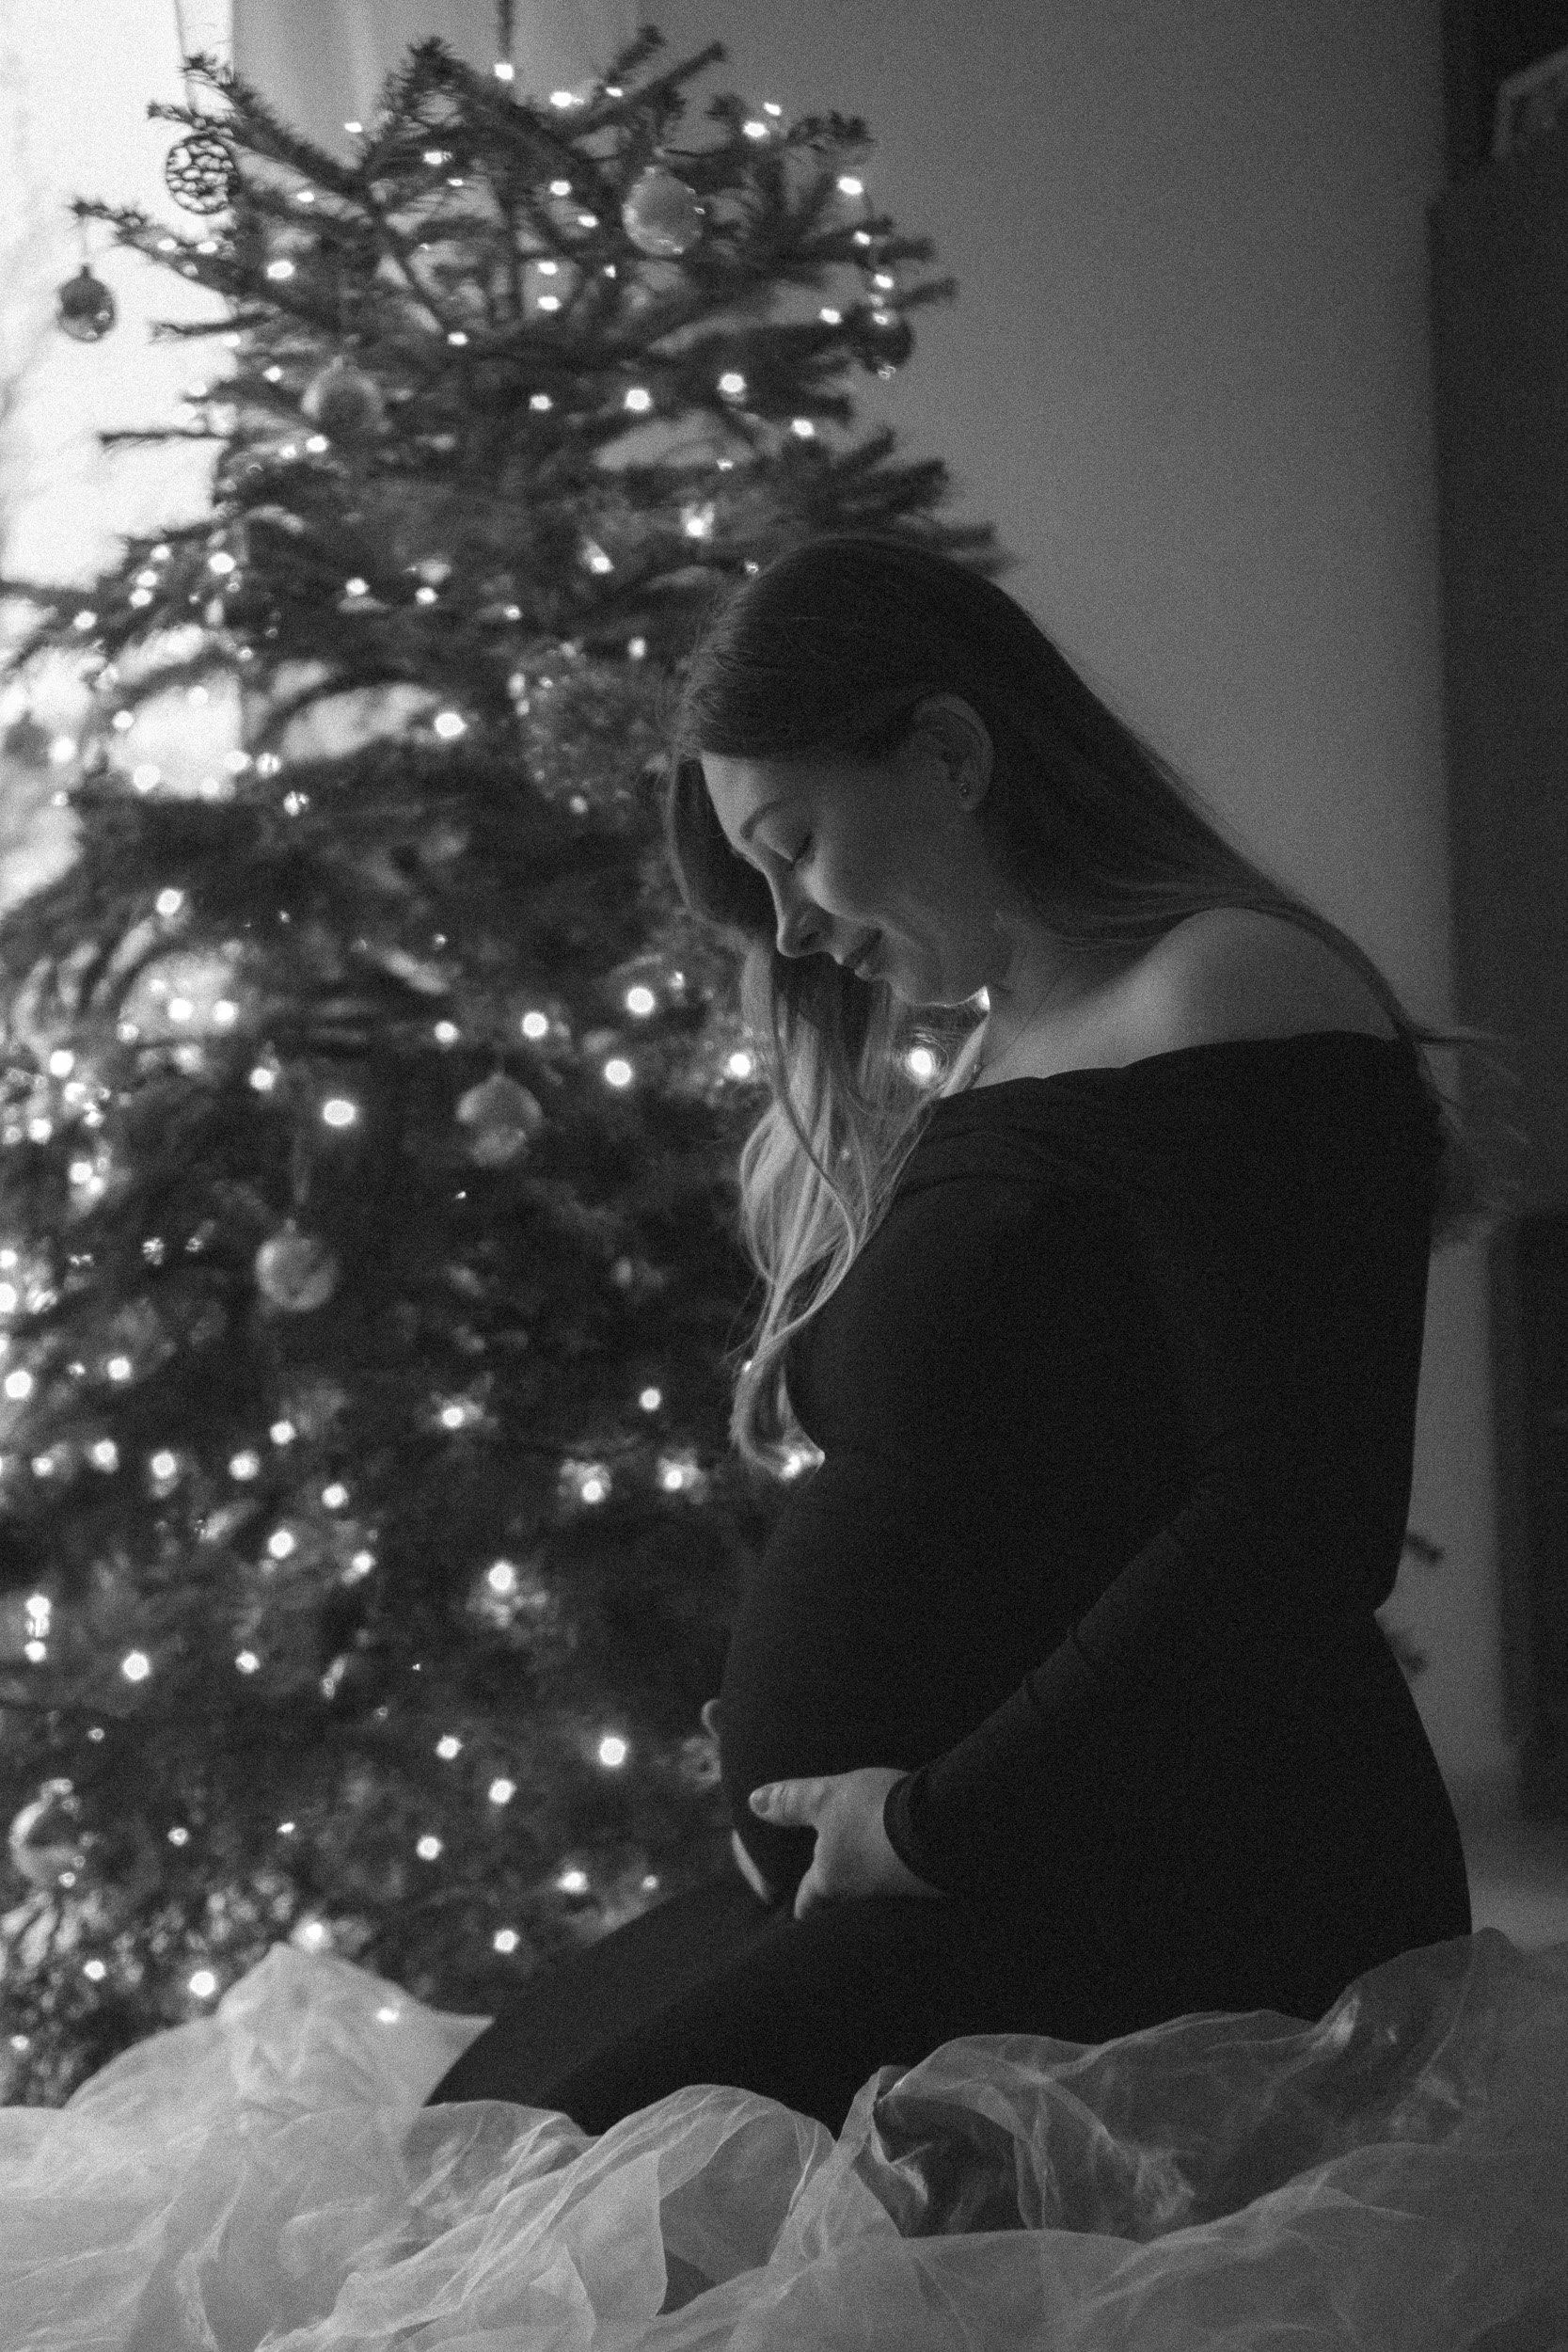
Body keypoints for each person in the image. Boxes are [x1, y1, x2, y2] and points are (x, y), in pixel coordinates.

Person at [424, 531, 1502, 2139]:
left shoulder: (1230, 990)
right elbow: (1018, 1475)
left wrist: (936, 1819)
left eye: (795, 848)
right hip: (935, 1872)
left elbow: (1294, 1518)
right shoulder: (1004, 1042)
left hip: (1139, 1880)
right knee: (479, 2133)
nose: (789, 931)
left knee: (541, 2206)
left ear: (949, 750)